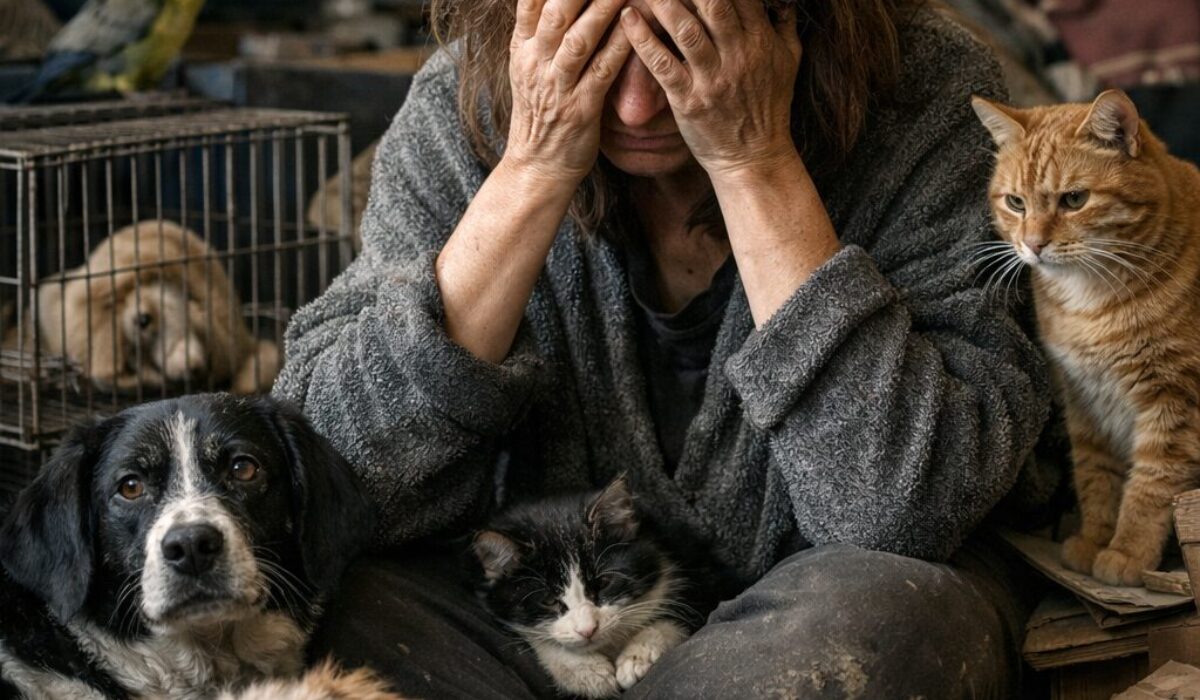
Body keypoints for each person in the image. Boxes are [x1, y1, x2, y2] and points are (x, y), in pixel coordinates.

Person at [273, 0, 1058, 696]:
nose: (643, 105)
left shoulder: (923, 90)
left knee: (889, 621)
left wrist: (754, 163)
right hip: (536, 635)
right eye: (596, 51)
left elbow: (902, 507)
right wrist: (533, 167)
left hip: (810, 611)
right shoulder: (464, 101)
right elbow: (333, 478)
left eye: (684, 45)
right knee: (306, 606)